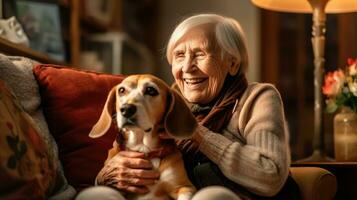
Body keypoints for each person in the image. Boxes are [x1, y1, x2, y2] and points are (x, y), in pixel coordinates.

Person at [77, 13, 299, 200]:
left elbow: (271, 176)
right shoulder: (163, 99)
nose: (187, 67)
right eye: (179, 56)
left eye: (200, 54)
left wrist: (195, 132)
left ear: (232, 63)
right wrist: (106, 176)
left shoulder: (258, 98)